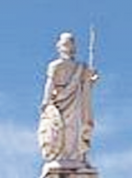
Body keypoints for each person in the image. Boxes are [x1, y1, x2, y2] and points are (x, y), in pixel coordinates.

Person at [38, 30, 99, 165]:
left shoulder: (81, 67)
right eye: (66, 44)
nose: (68, 47)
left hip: (75, 102)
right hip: (60, 102)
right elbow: (50, 83)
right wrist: (46, 102)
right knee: (62, 129)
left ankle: (74, 156)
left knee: (73, 128)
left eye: (69, 44)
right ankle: (63, 156)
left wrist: (90, 81)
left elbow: (84, 86)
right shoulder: (55, 65)